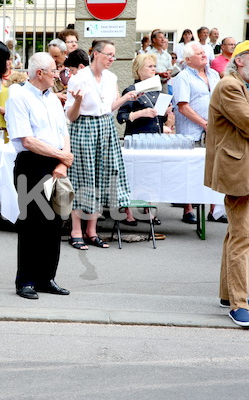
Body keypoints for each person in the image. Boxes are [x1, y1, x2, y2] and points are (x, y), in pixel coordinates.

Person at [6, 52, 72, 299]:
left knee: (54, 223)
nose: (58, 74)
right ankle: (26, 280)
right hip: (32, 163)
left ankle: (47, 278)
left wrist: (63, 161)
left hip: (55, 162)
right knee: (32, 223)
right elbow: (27, 140)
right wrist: (61, 156)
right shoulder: (19, 95)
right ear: (40, 73)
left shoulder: (52, 99)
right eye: (54, 70)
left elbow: (63, 131)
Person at [64, 40, 135, 251]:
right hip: (84, 127)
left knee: (100, 176)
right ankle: (76, 230)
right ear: (95, 54)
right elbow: (70, 115)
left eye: (114, 55)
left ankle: (92, 231)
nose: (112, 59)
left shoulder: (111, 77)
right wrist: (77, 101)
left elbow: (108, 107)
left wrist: (126, 98)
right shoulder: (79, 79)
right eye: (108, 55)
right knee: (81, 177)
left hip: (105, 127)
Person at [204, 41, 249, 327]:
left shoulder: (240, 84)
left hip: (241, 167)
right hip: (237, 170)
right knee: (243, 237)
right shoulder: (230, 86)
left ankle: (227, 293)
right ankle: (240, 304)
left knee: (236, 233)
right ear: (241, 61)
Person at [172, 41, 221, 224]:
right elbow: (183, 106)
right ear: (188, 59)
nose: (203, 55)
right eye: (199, 53)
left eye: (204, 52)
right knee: (191, 171)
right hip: (191, 131)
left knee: (213, 168)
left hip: (214, 130)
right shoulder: (183, 77)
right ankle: (188, 209)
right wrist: (204, 123)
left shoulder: (214, 74)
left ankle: (214, 209)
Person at [117, 53, 167, 135]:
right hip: (138, 138)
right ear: (139, 69)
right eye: (150, 66)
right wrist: (140, 113)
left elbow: (159, 118)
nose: (153, 69)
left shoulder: (157, 89)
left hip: (156, 137)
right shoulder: (132, 90)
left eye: (154, 66)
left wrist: (166, 112)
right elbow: (121, 117)